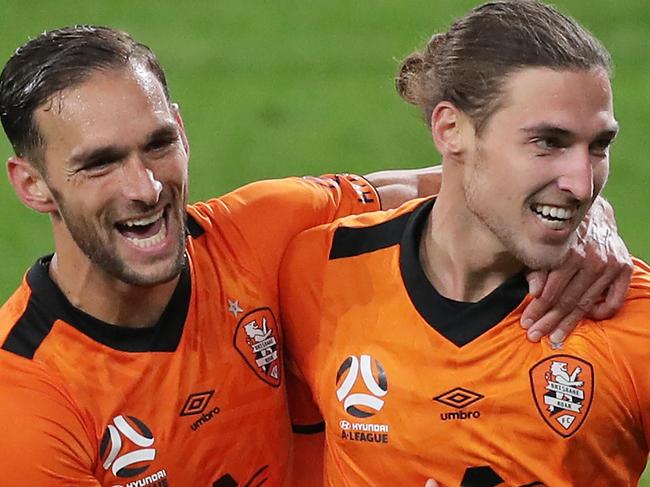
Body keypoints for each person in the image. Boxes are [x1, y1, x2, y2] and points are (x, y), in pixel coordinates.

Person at [0, 22, 630, 486]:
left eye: (158, 144)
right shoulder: (25, 396)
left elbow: (456, 179)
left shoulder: (262, 232)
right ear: (32, 184)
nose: (145, 186)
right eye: (101, 163)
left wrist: (583, 213)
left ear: (183, 131)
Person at [279, 1, 650, 485]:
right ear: (451, 130)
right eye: (548, 142)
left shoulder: (629, 315)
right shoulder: (320, 271)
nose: (583, 185)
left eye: (598, 146)